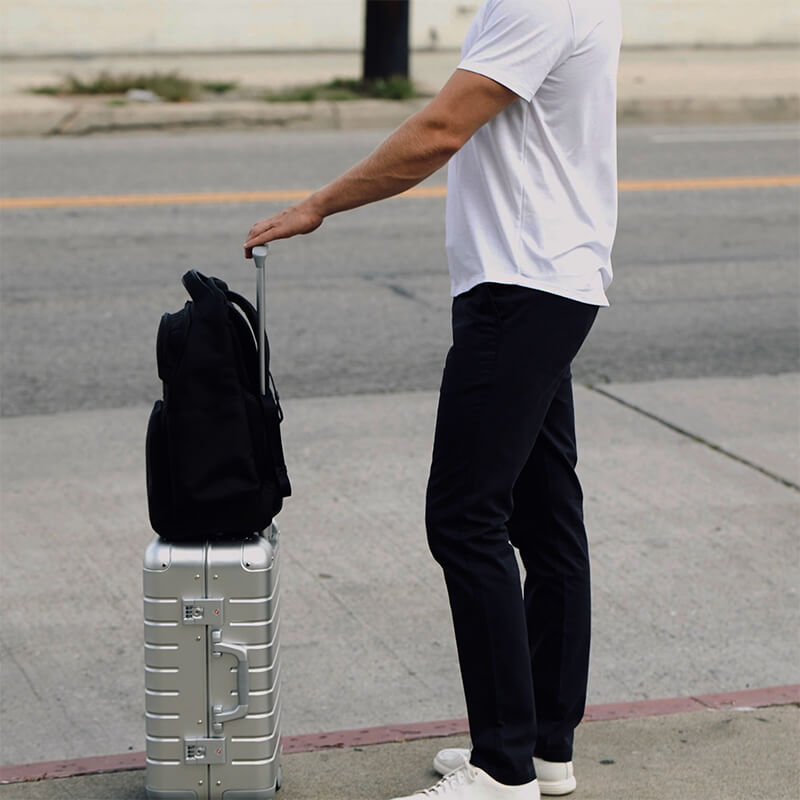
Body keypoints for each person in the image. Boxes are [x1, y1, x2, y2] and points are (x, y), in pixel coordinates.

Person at [245, 0, 622, 796]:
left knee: (464, 517)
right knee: (545, 517)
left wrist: (318, 205)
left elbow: (441, 130)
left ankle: (503, 767)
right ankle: (544, 748)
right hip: (552, 279)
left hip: (518, 288)